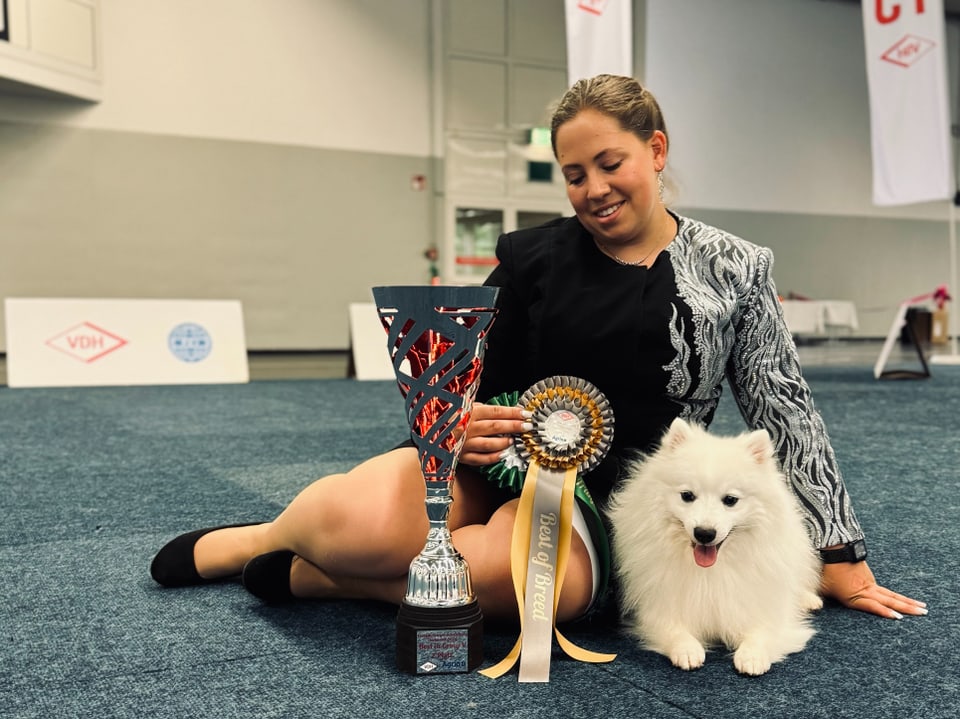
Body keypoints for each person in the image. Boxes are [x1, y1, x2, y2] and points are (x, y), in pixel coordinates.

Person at [151, 74, 926, 625]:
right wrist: (457, 418)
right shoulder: (531, 256)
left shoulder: (736, 267)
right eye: (574, 174)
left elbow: (785, 410)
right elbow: (457, 370)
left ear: (655, 150)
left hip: (618, 499)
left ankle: (325, 584)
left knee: (513, 580)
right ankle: (265, 538)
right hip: (491, 459)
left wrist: (839, 548)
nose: (593, 188)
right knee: (358, 518)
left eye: (610, 163)